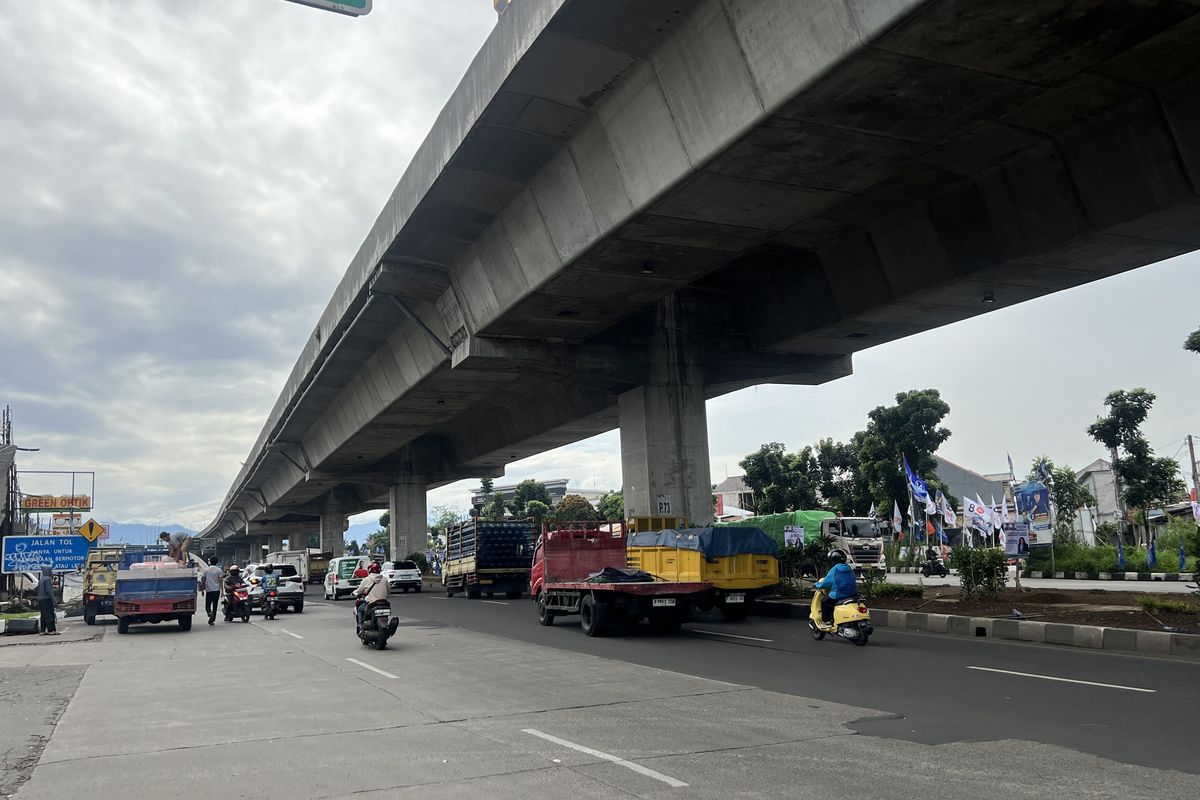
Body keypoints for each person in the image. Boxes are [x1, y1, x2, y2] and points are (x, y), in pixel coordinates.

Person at [814, 551, 857, 627]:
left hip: (839, 595)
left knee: (824, 602)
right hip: (851, 594)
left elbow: (825, 583)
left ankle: (826, 622)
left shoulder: (834, 570)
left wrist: (816, 584)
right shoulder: (849, 568)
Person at [353, 561, 388, 630]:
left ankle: (360, 625)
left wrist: (354, 592)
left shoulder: (367, 579)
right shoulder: (385, 579)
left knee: (360, 609)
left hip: (371, 603)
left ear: (369, 570)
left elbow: (359, 591)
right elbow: (389, 590)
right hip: (384, 603)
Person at [198, 557, 223, 626]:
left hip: (209, 590)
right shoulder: (219, 570)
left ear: (210, 562)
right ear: (217, 562)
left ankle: (209, 612)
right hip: (216, 590)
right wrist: (222, 591)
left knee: (207, 605)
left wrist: (202, 590)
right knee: (215, 605)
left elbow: (203, 580)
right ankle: (212, 620)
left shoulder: (206, 570)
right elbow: (220, 581)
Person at [36, 566, 58, 636]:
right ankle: (51, 630)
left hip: (41, 600)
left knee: (43, 615)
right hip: (47, 599)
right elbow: (49, 591)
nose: (51, 572)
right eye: (50, 570)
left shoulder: (41, 579)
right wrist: (54, 599)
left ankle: (42, 630)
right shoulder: (48, 579)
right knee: (49, 615)